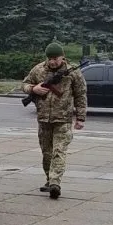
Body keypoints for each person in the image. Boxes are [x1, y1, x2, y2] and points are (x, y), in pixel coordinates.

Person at [22, 42, 87, 199]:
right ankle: (49, 179)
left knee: (59, 152)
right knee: (47, 153)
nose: (52, 62)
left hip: (63, 119)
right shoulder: (38, 70)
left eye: (55, 58)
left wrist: (80, 117)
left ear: (62, 57)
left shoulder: (73, 73)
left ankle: (55, 183)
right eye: (50, 58)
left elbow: (81, 94)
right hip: (43, 119)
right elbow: (24, 84)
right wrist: (33, 89)